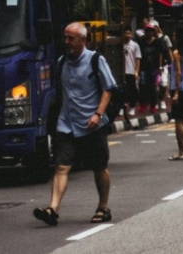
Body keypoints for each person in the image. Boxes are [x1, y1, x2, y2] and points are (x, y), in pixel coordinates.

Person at [33, 23, 118, 227]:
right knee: (61, 166)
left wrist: (98, 114)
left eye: (71, 38)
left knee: (99, 167)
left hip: (92, 124)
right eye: (65, 37)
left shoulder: (96, 60)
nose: (67, 42)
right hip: (67, 124)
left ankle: (103, 207)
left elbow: (108, 89)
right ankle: (52, 209)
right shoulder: (62, 62)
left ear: (82, 40)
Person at [138, 28, 165, 114]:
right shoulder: (142, 42)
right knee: (143, 86)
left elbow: (160, 54)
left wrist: (160, 66)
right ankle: (143, 104)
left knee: (153, 87)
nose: (149, 33)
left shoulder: (157, 42)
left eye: (151, 31)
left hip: (154, 67)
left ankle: (153, 105)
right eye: (147, 31)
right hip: (143, 67)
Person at [119, 27, 140, 127]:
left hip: (131, 70)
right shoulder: (120, 44)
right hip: (122, 71)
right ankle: (122, 107)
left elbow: (138, 58)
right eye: (125, 33)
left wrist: (136, 71)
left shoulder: (135, 45)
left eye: (129, 33)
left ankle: (132, 107)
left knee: (132, 90)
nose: (127, 35)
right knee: (122, 90)